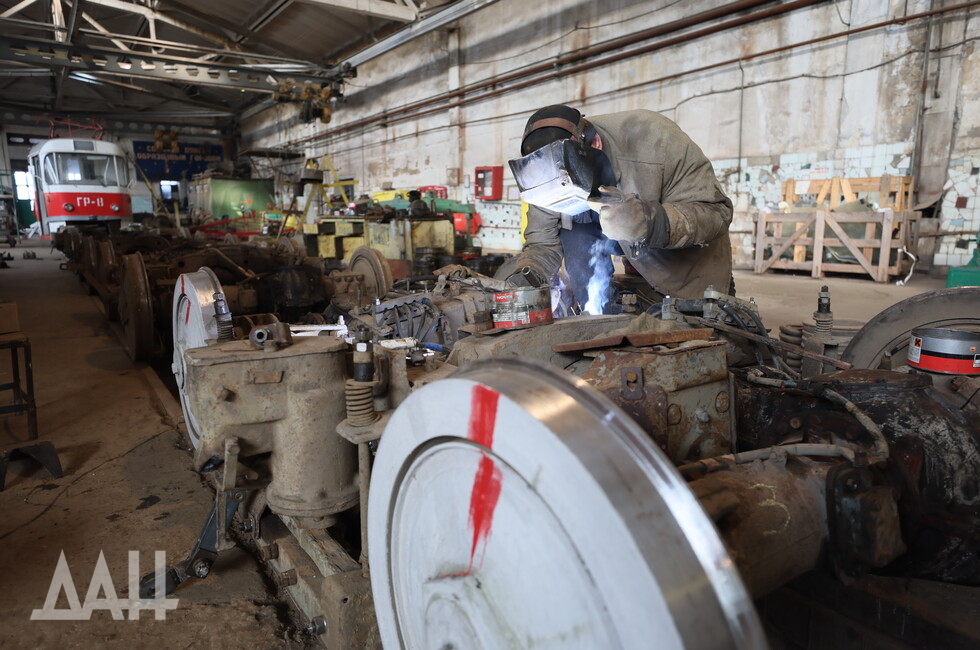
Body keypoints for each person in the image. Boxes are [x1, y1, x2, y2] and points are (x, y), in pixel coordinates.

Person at [497, 104, 734, 312]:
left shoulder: (656, 139)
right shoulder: (544, 173)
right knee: (573, 231)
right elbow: (542, 243)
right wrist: (528, 274)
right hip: (619, 246)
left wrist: (647, 221)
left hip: (684, 269)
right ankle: (599, 313)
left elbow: (717, 212)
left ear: (595, 144)